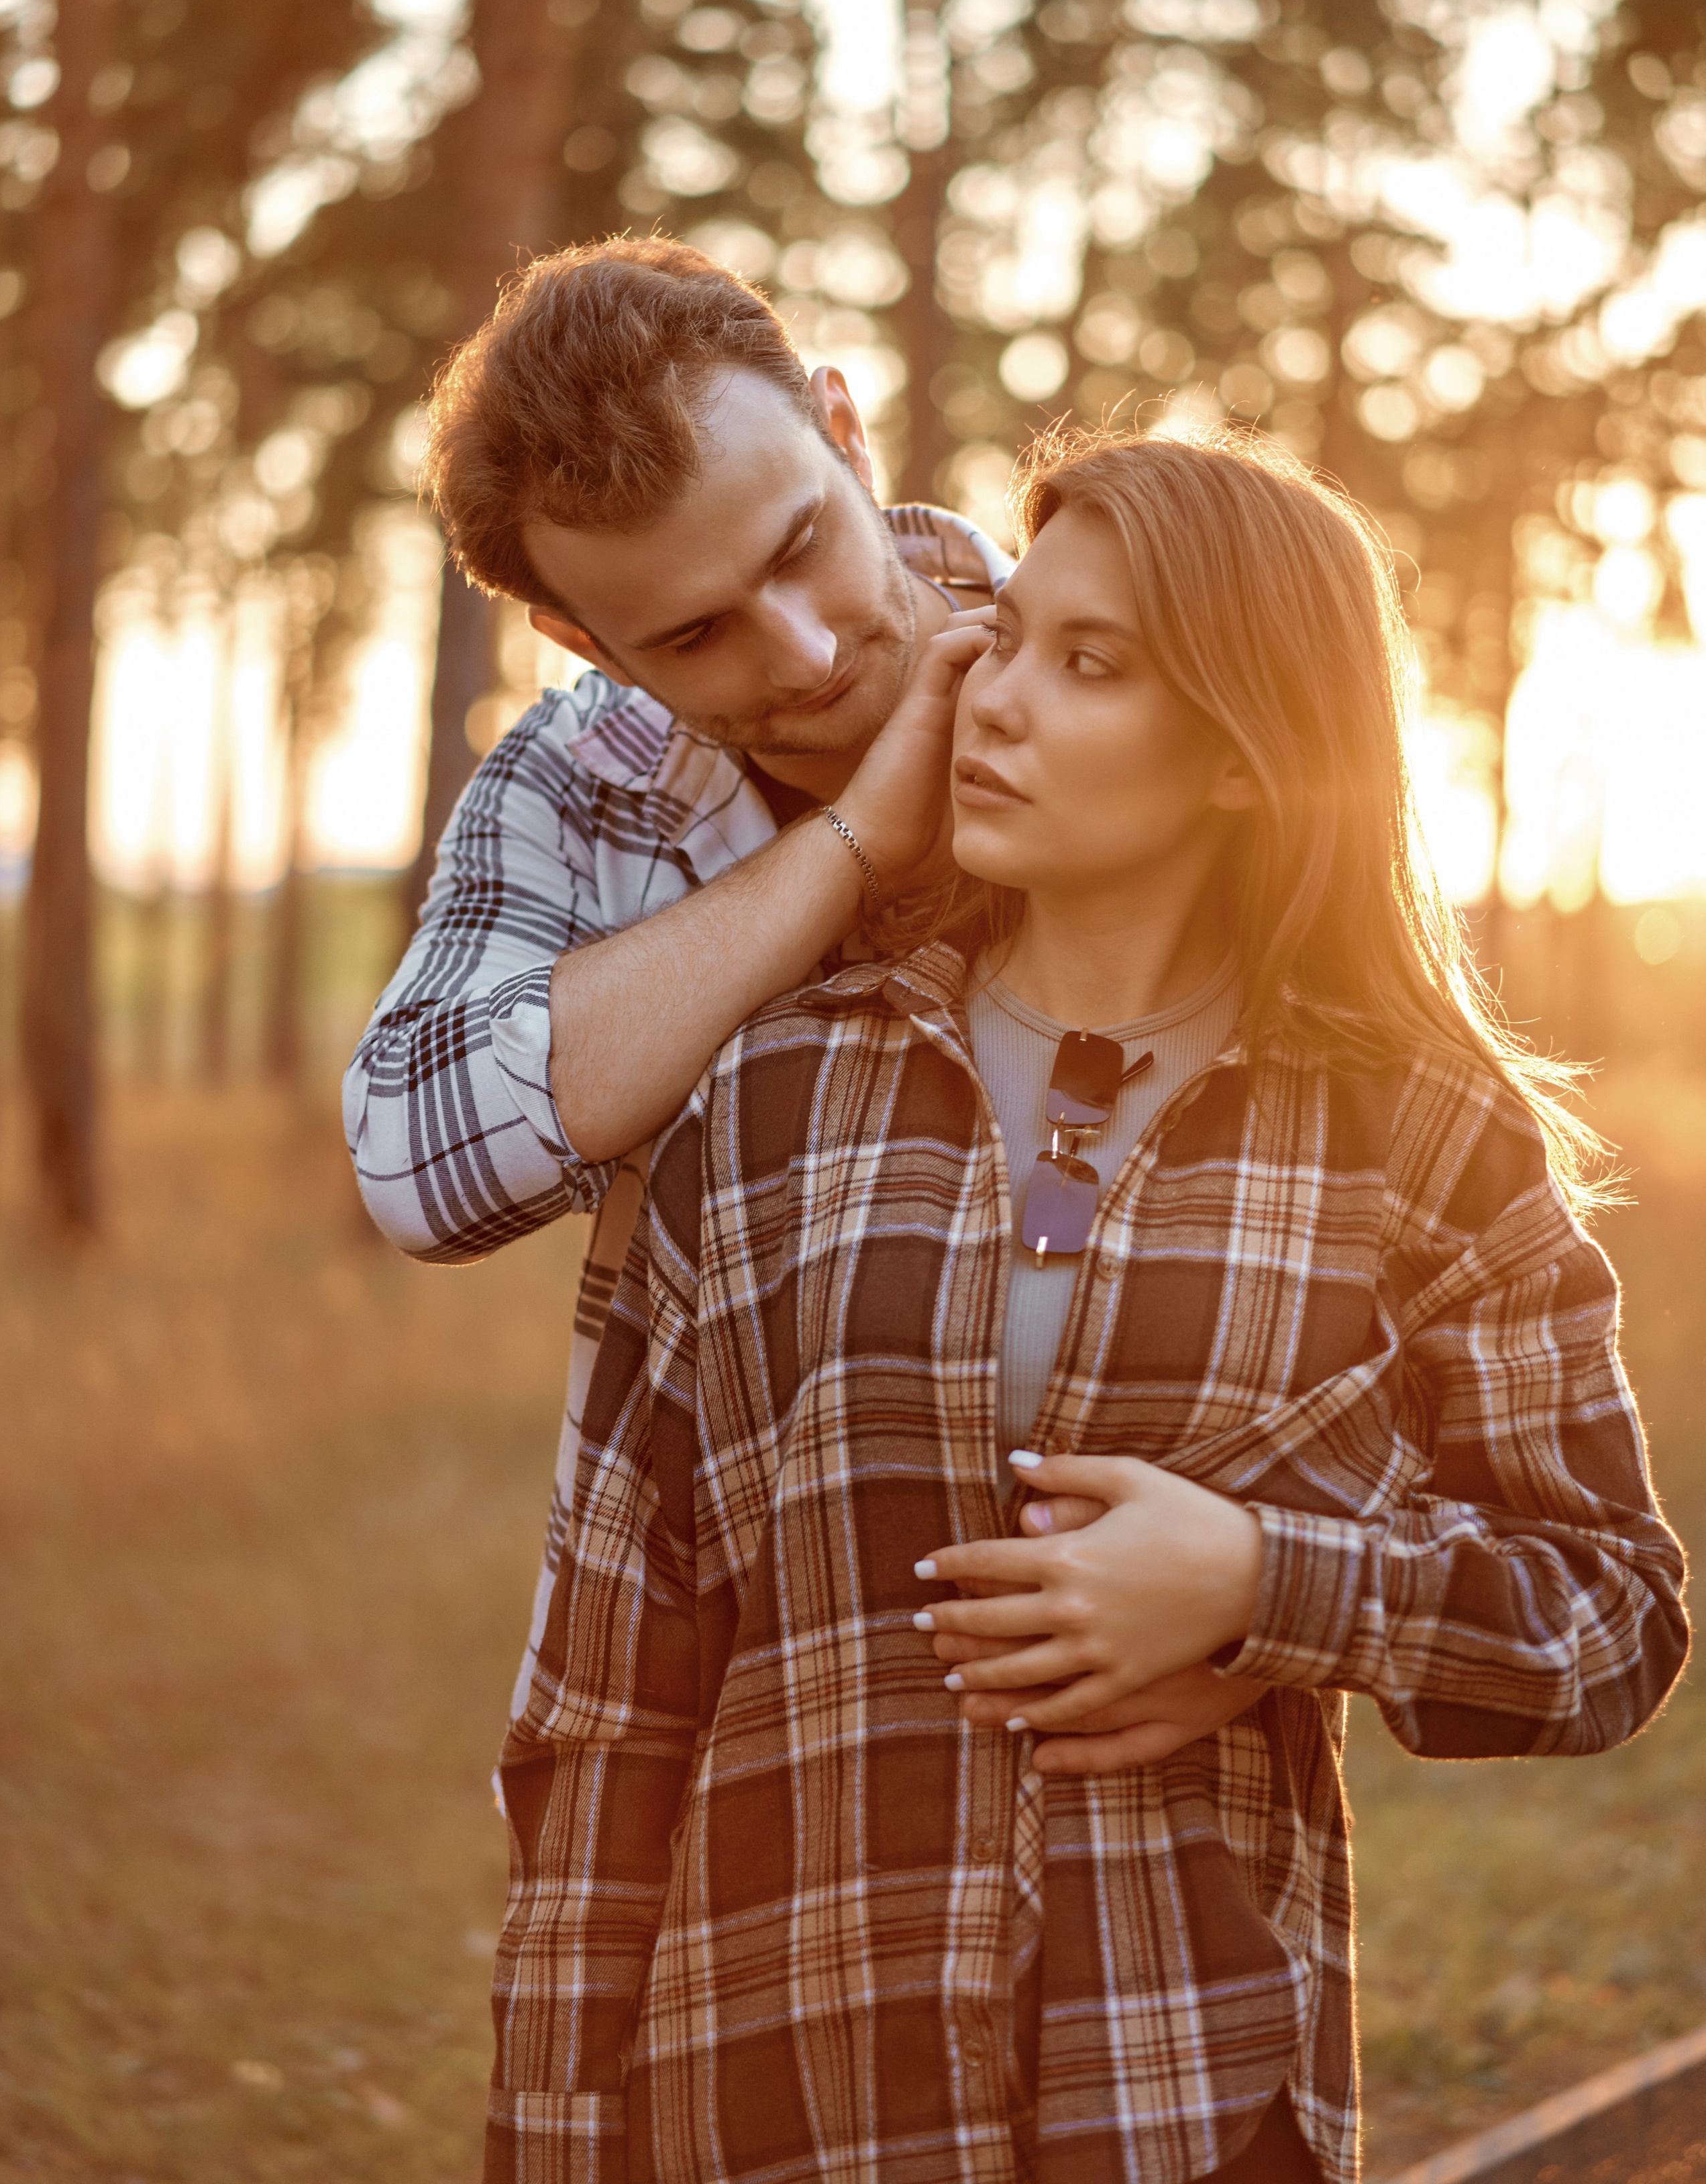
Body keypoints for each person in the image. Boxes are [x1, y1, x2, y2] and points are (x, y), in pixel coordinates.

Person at [488, 425, 1687, 2184]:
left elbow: (1614, 1617)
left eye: (1090, 664)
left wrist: (1266, 1583)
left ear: (1245, 750)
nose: (993, 699)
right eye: (1007, 639)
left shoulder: (1423, 1135)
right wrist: (546, 2132)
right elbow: (607, 1687)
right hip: (782, 2090)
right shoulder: (767, 1096)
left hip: (1187, 2090)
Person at [348, 236, 1241, 1772]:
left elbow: (1370, 1168)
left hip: (1149, 1717)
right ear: (579, 640)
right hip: (734, 1683)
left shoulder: (1143, 662)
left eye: (796, 548)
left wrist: (1253, 1618)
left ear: (841, 425)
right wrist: (841, 855)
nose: (807, 651)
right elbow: (419, 1164)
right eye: (693, 634)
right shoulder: (576, 795)